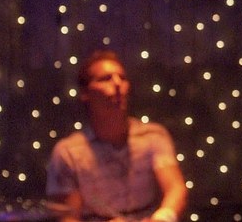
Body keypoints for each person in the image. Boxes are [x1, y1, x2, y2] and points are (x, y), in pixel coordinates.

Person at [46, 50, 188, 222]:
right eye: (105, 78)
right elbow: (68, 217)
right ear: (84, 92)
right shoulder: (68, 152)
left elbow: (175, 188)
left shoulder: (153, 136)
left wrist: (162, 218)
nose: (117, 83)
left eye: (122, 77)